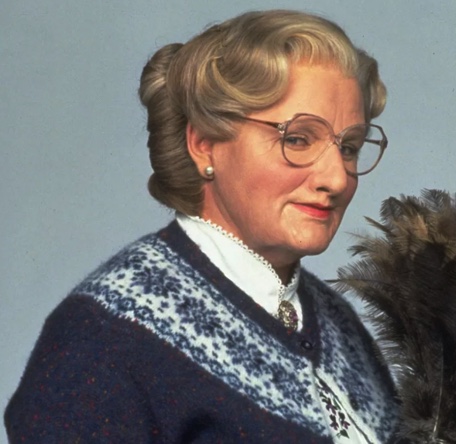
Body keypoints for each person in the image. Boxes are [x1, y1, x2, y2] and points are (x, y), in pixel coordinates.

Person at [5, 9, 401, 443]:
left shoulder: (339, 324)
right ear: (204, 145)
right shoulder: (103, 335)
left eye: (349, 147)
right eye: (297, 139)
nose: (337, 178)